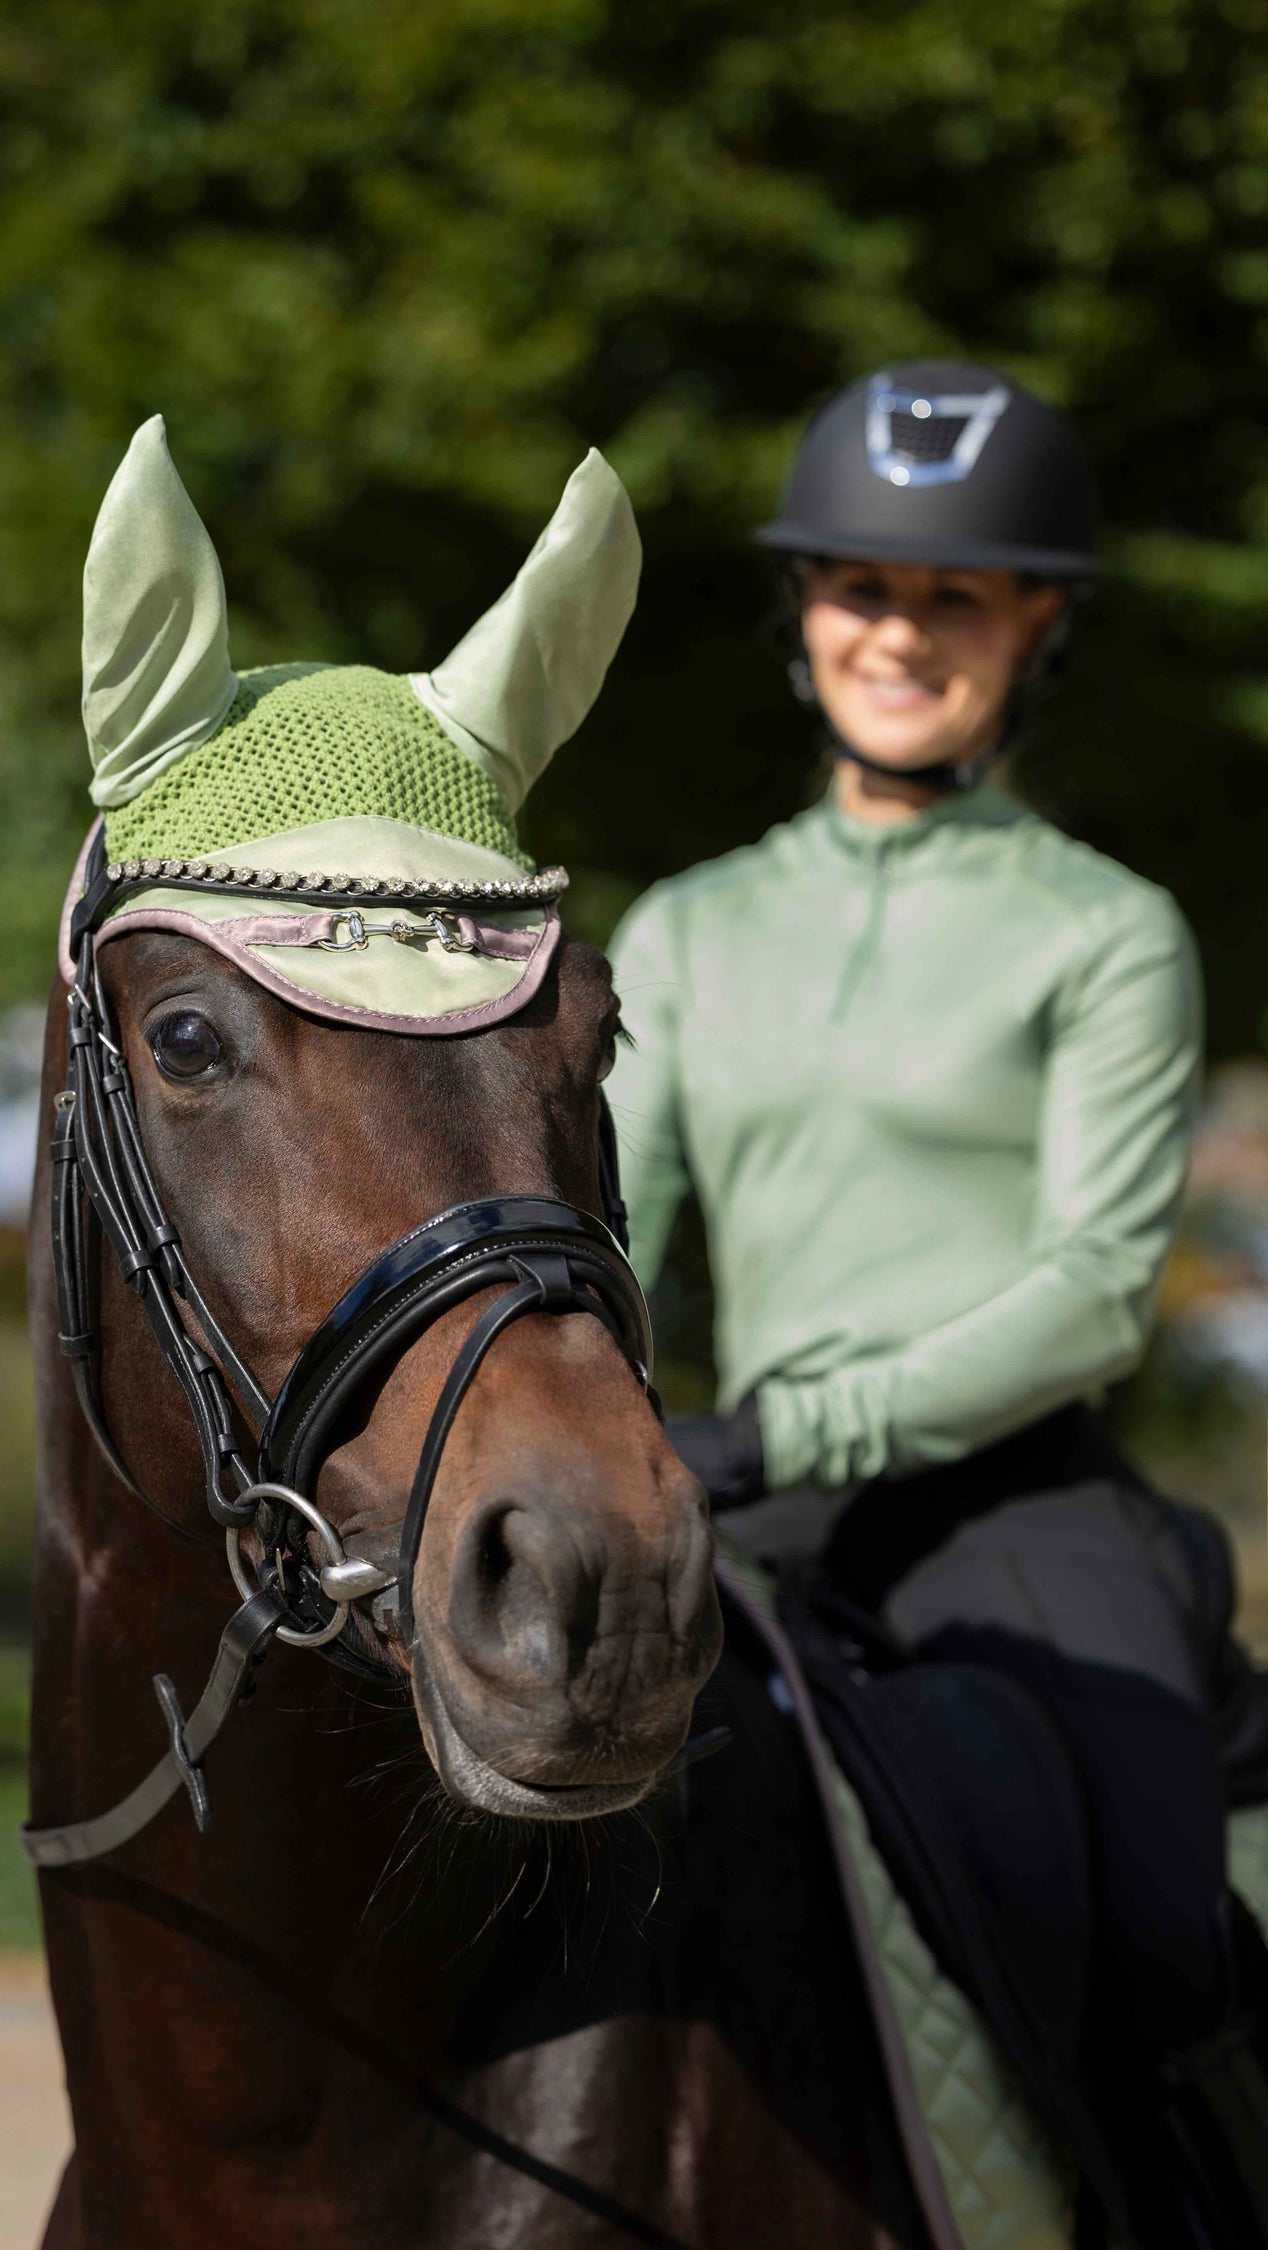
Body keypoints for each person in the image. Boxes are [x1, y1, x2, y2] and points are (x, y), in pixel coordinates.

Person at [608, 361, 1268, 2244]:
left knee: (1155, 1919)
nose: (897, 634)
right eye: (860, 588)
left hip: (1013, 1500)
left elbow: (1089, 1295)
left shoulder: (1104, 926)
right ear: (804, 608)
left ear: (1034, 622)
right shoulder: (687, 928)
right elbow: (609, 1236)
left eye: (952, 597)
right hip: (731, 1490)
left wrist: (777, 1431)